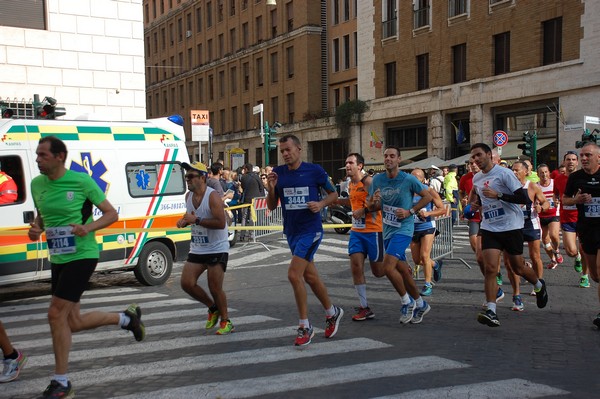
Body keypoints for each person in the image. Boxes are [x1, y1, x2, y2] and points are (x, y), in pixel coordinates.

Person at [27, 136, 144, 398]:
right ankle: (126, 319)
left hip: (83, 254)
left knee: (55, 315)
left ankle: (61, 382)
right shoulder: (37, 185)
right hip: (58, 257)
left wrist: (87, 228)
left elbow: (112, 214)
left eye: (43, 155)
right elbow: (45, 215)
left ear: (59, 157)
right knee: (74, 322)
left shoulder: (81, 181)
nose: (37, 160)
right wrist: (37, 228)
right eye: (37, 155)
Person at [266, 134, 343, 347]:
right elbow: (272, 206)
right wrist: (271, 188)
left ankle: (305, 326)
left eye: (288, 149)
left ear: (299, 149)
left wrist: (321, 204)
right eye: (282, 151)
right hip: (292, 231)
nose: (285, 154)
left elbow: (333, 194)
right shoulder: (278, 174)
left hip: (311, 231)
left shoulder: (314, 171)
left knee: (293, 274)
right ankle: (332, 312)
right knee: (310, 276)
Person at [468, 143, 548, 327]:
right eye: (473, 157)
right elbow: (483, 198)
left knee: (517, 266)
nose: (476, 160)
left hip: (511, 226)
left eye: (479, 155)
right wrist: (477, 204)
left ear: (489, 155)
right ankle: (491, 311)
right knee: (490, 268)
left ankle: (538, 284)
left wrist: (499, 196)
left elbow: (524, 198)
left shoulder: (504, 174)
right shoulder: (477, 178)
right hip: (490, 227)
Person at [366, 146, 433, 324]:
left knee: (388, 267)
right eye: (386, 156)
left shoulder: (408, 179)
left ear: (398, 159)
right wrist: (373, 202)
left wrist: (410, 211)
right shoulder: (377, 180)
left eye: (392, 156)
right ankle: (421, 303)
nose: (388, 159)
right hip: (387, 229)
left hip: (404, 229)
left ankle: (406, 301)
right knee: (403, 270)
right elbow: (372, 206)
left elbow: (427, 197)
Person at [177, 161, 234, 335]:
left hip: (217, 247)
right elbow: (192, 217)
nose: (187, 179)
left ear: (203, 178)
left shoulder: (213, 197)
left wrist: (197, 221)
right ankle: (212, 308)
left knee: (215, 287)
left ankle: (226, 321)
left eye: (191, 176)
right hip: (198, 247)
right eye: (186, 176)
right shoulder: (188, 196)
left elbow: (220, 223)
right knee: (186, 283)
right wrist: (184, 221)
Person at [337, 153, 384, 321]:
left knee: (379, 272)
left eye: (351, 162)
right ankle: (365, 307)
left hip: (373, 231)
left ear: (360, 166)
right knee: (356, 266)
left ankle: (397, 265)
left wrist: (363, 211)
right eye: (346, 162)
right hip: (357, 232)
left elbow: (379, 204)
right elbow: (352, 202)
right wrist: (332, 201)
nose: (347, 165)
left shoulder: (368, 182)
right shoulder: (350, 184)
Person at [562, 143, 600, 328]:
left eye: (588, 155)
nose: (584, 158)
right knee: (596, 276)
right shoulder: (575, 178)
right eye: (582, 155)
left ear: (598, 157)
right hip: (586, 229)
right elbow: (565, 200)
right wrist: (576, 200)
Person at [504, 161, 549, 311]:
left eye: (517, 170)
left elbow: (546, 202)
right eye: (513, 170)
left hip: (531, 224)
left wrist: (541, 207)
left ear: (525, 172)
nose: (514, 173)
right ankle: (516, 295)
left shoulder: (532, 186)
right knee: (510, 262)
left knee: (535, 255)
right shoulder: (507, 187)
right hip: (513, 225)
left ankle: (538, 284)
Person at [554, 151, 589, 288]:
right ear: (564, 162)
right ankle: (577, 257)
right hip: (567, 217)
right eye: (568, 159)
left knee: (585, 248)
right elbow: (556, 194)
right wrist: (556, 200)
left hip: (583, 217)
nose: (571, 162)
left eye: (574, 159)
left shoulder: (583, 177)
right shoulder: (558, 179)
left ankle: (585, 276)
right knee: (571, 251)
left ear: (577, 162)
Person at [410, 168, 446, 296]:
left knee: (425, 256)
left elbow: (442, 210)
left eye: (417, 177)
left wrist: (428, 213)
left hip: (427, 227)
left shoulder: (430, 191)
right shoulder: (406, 192)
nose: (414, 179)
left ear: (423, 179)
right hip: (412, 228)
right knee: (417, 260)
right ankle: (435, 264)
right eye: (411, 176)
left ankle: (427, 284)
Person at [537, 164, 563, 269]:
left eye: (546, 172)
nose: (544, 174)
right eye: (541, 173)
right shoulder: (536, 186)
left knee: (554, 235)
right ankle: (553, 259)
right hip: (541, 216)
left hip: (553, 214)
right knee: (545, 242)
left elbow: (561, 195)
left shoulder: (554, 183)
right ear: (538, 175)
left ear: (549, 172)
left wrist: (558, 201)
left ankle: (556, 250)